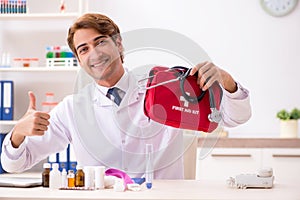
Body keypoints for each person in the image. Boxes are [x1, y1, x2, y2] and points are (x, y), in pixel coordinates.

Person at [1, 13, 251, 179]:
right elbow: (13, 165)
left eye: (100, 42)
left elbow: (234, 118)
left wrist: (226, 82)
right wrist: (18, 133)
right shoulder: (72, 108)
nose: (94, 54)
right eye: (84, 49)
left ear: (119, 44)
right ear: (78, 60)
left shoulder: (166, 88)